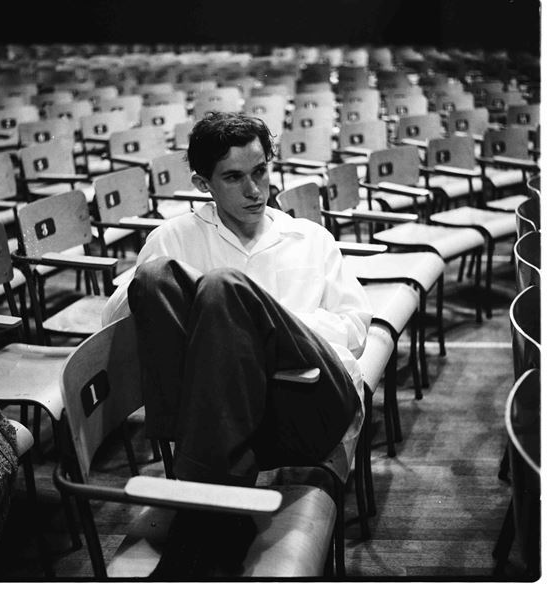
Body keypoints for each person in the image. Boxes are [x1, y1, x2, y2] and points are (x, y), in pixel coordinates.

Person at [102, 111, 372, 489]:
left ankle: (199, 481)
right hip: (220, 416)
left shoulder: (309, 237)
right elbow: (115, 323)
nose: (254, 190)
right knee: (155, 277)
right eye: (233, 177)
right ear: (203, 184)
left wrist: (263, 325)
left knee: (223, 287)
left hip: (306, 402)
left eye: (260, 171)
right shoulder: (175, 237)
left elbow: (356, 331)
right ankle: (215, 477)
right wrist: (154, 277)